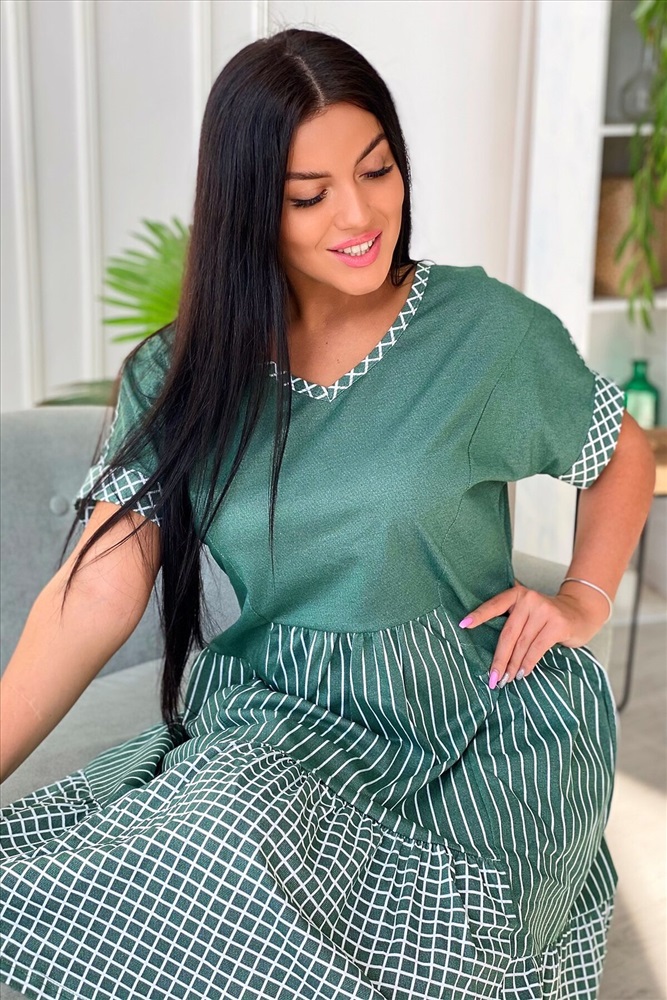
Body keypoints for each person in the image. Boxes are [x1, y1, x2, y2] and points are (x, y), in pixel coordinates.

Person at [0, 26, 656, 1000]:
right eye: (309, 194)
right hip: (279, 720)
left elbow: (621, 451)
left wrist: (581, 599)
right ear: (246, 207)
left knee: (439, 950)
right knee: (190, 863)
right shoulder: (179, 372)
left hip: (477, 722)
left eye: (376, 169)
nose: (358, 214)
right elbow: (96, 591)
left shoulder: (480, 332)